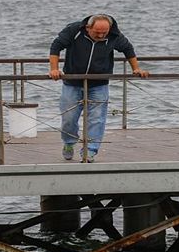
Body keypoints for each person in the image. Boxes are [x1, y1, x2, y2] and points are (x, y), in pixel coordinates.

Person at [49, 14, 149, 162]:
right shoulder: (74, 30)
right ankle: (69, 143)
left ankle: (90, 150)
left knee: (97, 118)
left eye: (104, 32)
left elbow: (128, 49)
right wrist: (54, 69)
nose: (101, 35)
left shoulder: (115, 35)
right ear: (88, 28)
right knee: (68, 118)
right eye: (97, 32)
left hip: (99, 83)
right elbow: (56, 46)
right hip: (73, 82)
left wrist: (136, 69)